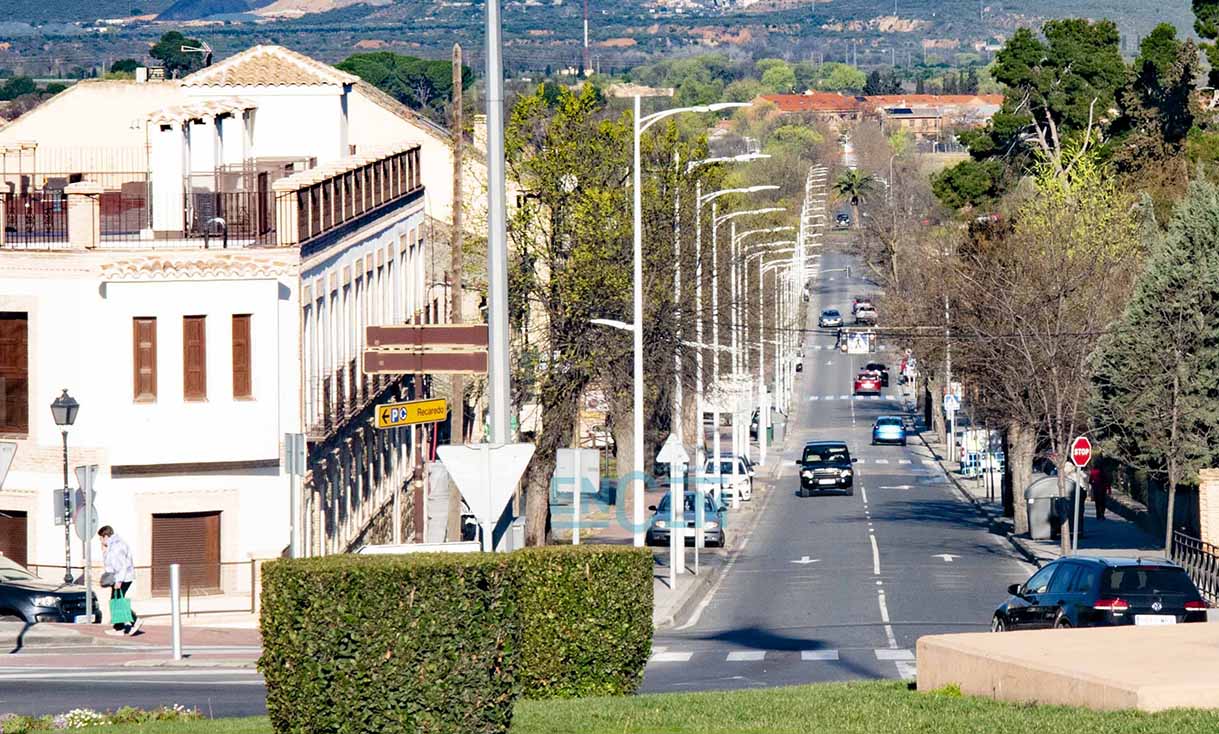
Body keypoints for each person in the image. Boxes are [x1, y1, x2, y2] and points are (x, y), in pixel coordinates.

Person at [98, 525, 143, 636]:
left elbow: (122, 566)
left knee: (118, 601)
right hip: (120, 577)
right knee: (116, 601)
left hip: (123, 578)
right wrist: (104, 552)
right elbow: (109, 565)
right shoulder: (112, 546)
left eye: (101, 538)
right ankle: (119, 627)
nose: (100, 541)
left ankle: (132, 622)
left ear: (106, 536)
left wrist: (118, 581)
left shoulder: (117, 547)